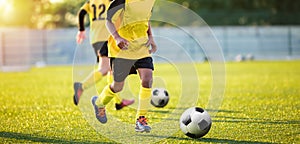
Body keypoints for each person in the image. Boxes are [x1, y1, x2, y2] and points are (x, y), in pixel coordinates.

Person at [91, 0, 157, 133]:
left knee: (147, 79)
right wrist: (117, 37)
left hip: (141, 47)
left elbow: (145, 19)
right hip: (121, 49)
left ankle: (141, 120)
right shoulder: (122, 1)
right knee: (118, 86)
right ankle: (99, 103)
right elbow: (108, 21)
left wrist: (151, 37)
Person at [73, 0, 134, 110]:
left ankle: (118, 101)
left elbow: (81, 13)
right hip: (107, 37)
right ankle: (81, 86)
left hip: (96, 38)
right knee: (105, 68)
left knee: (111, 69)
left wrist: (81, 30)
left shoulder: (91, 1)